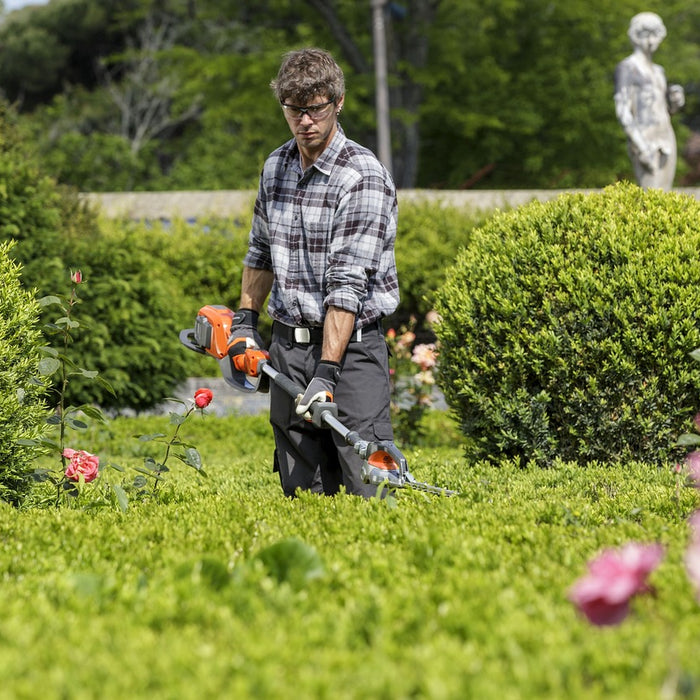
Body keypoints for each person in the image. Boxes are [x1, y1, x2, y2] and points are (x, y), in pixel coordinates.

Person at [229, 48, 400, 498]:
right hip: (289, 350)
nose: (305, 120)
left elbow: (347, 285)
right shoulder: (275, 167)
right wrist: (245, 325)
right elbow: (260, 252)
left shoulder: (361, 177)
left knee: (370, 488)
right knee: (301, 491)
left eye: (316, 108)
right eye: (294, 109)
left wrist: (326, 373)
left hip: (353, 356)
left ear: (337, 103)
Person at [614, 12, 685, 190]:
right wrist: (641, 145)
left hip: (666, 135)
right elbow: (622, 111)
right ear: (636, 36)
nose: (651, 40)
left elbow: (664, 110)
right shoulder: (628, 67)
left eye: (655, 34)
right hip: (645, 137)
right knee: (651, 193)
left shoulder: (659, 70)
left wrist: (676, 103)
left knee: (666, 193)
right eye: (645, 34)